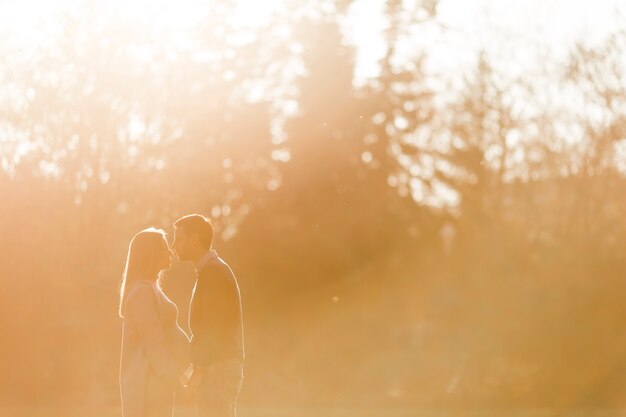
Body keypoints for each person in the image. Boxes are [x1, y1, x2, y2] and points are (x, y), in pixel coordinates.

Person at [172, 214, 245, 417]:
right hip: (217, 366)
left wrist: (199, 371)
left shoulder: (213, 273)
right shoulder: (209, 271)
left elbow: (213, 326)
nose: (173, 245)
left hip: (218, 368)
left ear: (194, 239)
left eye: (179, 239)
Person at [119, 228, 190, 417]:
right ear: (150, 254)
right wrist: (175, 382)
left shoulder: (150, 288)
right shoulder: (141, 291)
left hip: (157, 384)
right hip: (148, 386)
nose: (171, 252)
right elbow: (153, 341)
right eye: (165, 248)